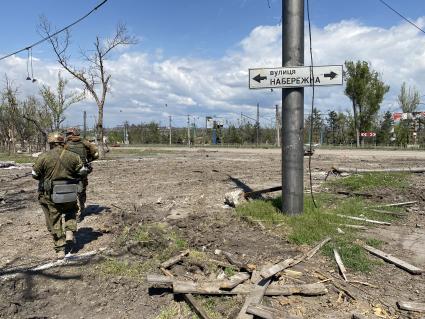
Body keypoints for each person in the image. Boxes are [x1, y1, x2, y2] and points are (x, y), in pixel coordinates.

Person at [32, 132, 88, 258]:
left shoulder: (43, 157)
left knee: (55, 218)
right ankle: (69, 231)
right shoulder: (73, 156)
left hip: (51, 195)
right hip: (70, 192)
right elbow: (82, 172)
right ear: (63, 143)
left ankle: (60, 250)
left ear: (50, 143)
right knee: (71, 211)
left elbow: (35, 175)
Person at [65, 127, 99, 220]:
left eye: (68, 134)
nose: (67, 135)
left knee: (69, 189)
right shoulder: (85, 142)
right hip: (82, 169)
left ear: (70, 134)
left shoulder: (64, 144)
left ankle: (72, 209)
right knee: (82, 189)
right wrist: (90, 159)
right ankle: (82, 206)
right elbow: (96, 153)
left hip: (68, 170)